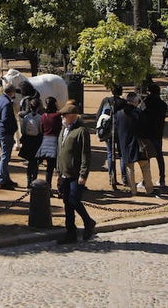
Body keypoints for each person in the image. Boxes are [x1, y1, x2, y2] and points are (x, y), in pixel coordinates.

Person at [55, 101, 96, 244]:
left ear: (72, 116)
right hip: (64, 173)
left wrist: (83, 175)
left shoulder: (81, 131)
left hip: (75, 173)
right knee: (67, 203)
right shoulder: (63, 130)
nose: (62, 117)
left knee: (74, 200)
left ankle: (88, 222)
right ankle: (70, 232)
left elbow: (86, 154)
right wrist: (58, 172)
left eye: (64, 115)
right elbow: (60, 151)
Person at [114, 92, 153, 195]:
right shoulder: (139, 112)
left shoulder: (118, 114)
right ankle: (149, 189)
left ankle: (133, 190)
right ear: (135, 101)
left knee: (129, 168)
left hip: (125, 144)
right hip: (139, 144)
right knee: (145, 167)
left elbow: (116, 130)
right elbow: (146, 127)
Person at [0, 84, 19, 189]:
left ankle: (6, 179)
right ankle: (2, 180)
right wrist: (13, 129)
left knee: (5, 156)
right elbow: (6, 119)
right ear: (11, 92)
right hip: (6, 133)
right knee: (5, 157)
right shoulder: (7, 103)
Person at [142, 82, 167, 192]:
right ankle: (162, 179)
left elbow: (140, 114)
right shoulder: (163, 105)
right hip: (158, 134)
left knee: (146, 158)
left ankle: (145, 180)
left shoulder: (146, 102)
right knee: (159, 157)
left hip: (147, 134)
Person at [95, 85, 126, 176]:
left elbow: (98, 115)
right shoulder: (124, 102)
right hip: (121, 131)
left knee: (110, 153)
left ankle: (111, 176)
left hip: (108, 130)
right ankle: (124, 177)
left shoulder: (106, 100)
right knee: (122, 154)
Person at [32, 95, 61, 189]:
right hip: (55, 141)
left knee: (47, 166)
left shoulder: (43, 116)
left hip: (45, 141)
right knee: (56, 167)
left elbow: (41, 128)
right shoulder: (57, 116)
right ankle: (59, 187)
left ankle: (47, 187)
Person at [18, 94, 44, 186]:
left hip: (28, 141)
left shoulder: (26, 117)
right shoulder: (40, 118)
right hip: (36, 141)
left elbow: (23, 130)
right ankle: (34, 181)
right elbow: (41, 130)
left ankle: (28, 182)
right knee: (35, 163)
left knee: (29, 163)